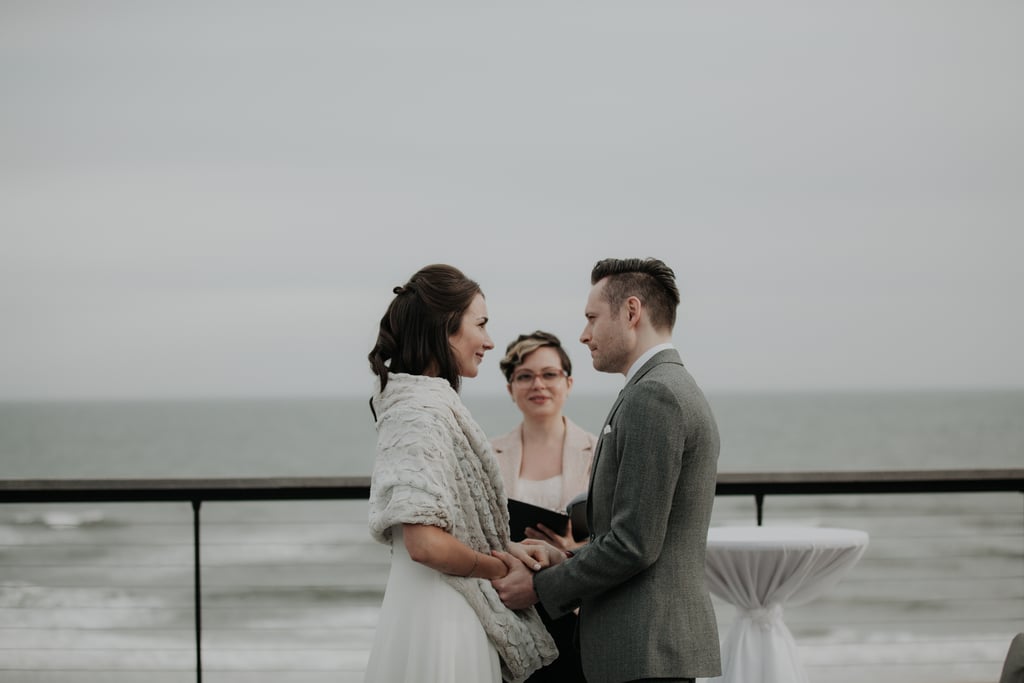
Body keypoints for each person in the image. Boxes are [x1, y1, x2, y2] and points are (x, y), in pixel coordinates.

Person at [492, 257, 722, 683]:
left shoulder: (654, 396)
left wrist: (541, 587)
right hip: (647, 650)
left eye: (592, 318)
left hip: (643, 651)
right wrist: (563, 557)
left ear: (631, 312)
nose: (584, 335)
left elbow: (635, 544)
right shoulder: (665, 386)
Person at [364, 264, 557, 683]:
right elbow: (426, 543)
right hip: (440, 620)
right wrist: (500, 567)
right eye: (481, 324)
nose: (489, 341)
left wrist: (504, 546)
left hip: (446, 606)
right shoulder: (420, 412)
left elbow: (449, 525)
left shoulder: (426, 406)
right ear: (446, 328)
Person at [490, 330, 598, 683]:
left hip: (577, 611)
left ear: (568, 383)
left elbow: (618, 537)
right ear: (510, 389)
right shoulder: (488, 455)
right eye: (525, 376)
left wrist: (567, 551)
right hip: (509, 612)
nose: (538, 384)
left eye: (549, 374)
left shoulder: (599, 453)